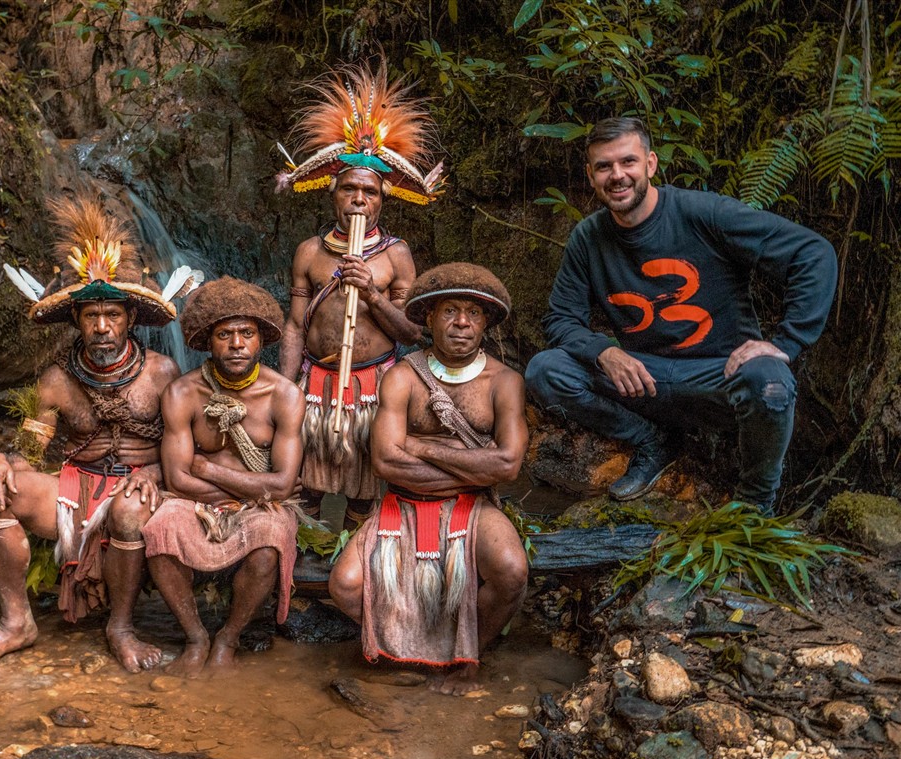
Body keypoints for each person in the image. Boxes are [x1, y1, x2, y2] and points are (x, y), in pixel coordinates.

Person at [525, 116, 837, 512]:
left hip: (720, 375)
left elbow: (813, 254)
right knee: (547, 370)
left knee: (770, 380)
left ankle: (755, 506)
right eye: (604, 166)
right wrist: (604, 351)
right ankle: (651, 442)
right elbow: (560, 319)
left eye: (628, 162)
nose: (617, 175)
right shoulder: (589, 238)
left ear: (650, 164)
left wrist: (786, 343)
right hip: (645, 379)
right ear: (590, 175)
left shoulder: (704, 213)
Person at [0, 197, 197, 672]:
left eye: (113, 315)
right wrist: (0, 461)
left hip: (145, 489)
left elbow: (184, 453)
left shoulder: (163, 372)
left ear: (131, 319)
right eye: (91, 316)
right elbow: (30, 452)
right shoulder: (56, 381)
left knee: (128, 508)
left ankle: (120, 628)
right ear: (76, 320)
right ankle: (15, 623)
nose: (102, 327)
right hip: (75, 489)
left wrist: (152, 473)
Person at [329, 263, 529, 696]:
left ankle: (468, 656)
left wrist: (421, 448)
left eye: (473, 313)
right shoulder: (402, 376)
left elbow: (508, 467)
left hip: (473, 506)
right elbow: (386, 462)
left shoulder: (504, 382)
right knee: (343, 585)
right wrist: (470, 463)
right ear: (430, 318)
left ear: (485, 323)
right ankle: (404, 647)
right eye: (450, 311)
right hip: (401, 504)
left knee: (512, 571)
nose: (462, 322)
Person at [277, 60, 443, 530]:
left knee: (365, 487)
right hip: (315, 381)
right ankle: (304, 550)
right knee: (306, 484)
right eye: (349, 189)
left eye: (369, 192)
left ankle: (355, 551)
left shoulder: (396, 255)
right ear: (332, 193)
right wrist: (285, 389)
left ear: (381, 199)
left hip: (372, 385)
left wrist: (371, 292)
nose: (358, 200)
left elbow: (411, 332)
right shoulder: (310, 251)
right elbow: (294, 325)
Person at [142, 277, 306, 678]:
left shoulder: (284, 395)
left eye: (246, 334)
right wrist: (249, 488)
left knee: (268, 541)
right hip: (200, 500)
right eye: (224, 335)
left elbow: (283, 485)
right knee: (160, 529)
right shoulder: (182, 393)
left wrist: (207, 467)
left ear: (260, 340)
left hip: (259, 505)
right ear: (207, 342)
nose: (236, 344)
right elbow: (177, 481)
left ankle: (228, 639)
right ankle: (195, 637)